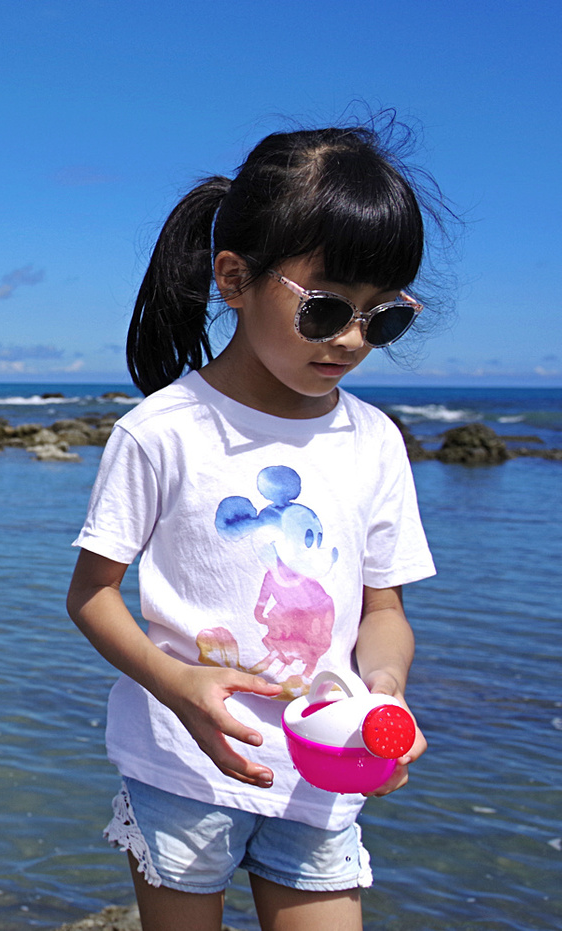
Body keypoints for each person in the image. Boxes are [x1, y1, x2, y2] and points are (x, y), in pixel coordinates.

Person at [66, 124, 446, 931]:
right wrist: (177, 685)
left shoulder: (376, 440)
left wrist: (385, 692)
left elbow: (384, 611)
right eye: (328, 307)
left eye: (384, 318)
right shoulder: (162, 431)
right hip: (180, 766)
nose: (351, 338)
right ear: (233, 278)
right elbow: (92, 596)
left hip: (326, 765)